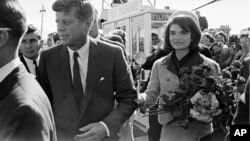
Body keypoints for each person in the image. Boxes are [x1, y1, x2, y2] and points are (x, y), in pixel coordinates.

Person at [37, 0, 138, 141]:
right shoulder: (47, 57)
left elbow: (129, 98)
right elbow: (42, 103)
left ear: (87, 23)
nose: (59, 28)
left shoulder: (112, 54)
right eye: (57, 22)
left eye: (66, 22)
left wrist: (105, 126)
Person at [139, 10, 220, 141]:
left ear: (193, 36)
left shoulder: (209, 65)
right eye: (172, 33)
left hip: (200, 133)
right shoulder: (159, 65)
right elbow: (151, 95)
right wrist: (138, 99)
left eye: (183, 32)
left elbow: (216, 102)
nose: (177, 37)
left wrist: (204, 109)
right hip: (169, 132)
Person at [0, 0, 57, 141]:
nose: (29, 46)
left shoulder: (22, 109)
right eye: (25, 42)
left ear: (1, 38)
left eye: (32, 41)